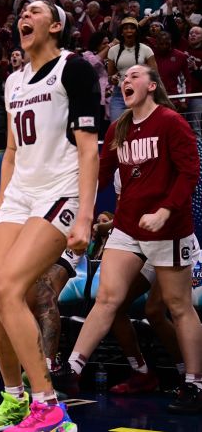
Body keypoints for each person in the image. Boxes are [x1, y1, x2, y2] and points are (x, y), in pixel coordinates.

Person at [0, 1, 100, 432]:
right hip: (20, 195)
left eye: (33, 11)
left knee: (11, 289)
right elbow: (11, 151)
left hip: (60, 191)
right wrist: (2, 208)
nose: (22, 18)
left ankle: (48, 406)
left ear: (55, 25)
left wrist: (85, 215)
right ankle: (14, 398)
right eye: (20, 14)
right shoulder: (12, 81)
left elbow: (88, 147)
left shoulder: (75, 69)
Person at [58, 65, 202, 414]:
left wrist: (166, 210)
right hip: (127, 227)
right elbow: (102, 173)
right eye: (123, 77)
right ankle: (71, 370)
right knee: (107, 299)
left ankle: (195, 382)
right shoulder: (119, 128)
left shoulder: (171, 121)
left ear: (152, 85)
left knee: (176, 305)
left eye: (135, 75)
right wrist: (81, 210)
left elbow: (190, 172)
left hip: (168, 228)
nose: (126, 80)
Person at [107, 17, 157, 122]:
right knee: (116, 127)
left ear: (136, 32)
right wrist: (113, 79)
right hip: (120, 94)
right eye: (125, 28)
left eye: (132, 28)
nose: (129, 30)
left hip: (141, 94)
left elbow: (154, 75)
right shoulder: (113, 51)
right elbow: (110, 76)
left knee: (140, 128)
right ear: (121, 32)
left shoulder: (146, 50)